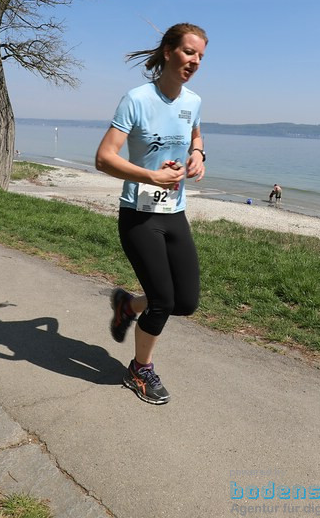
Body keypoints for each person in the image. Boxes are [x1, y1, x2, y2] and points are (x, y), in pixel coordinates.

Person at [94, 22, 208, 405]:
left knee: (186, 302)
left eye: (200, 56)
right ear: (168, 51)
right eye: (189, 52)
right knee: (163, 301)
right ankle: (140, 370)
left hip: (174, 213)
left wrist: (198, 154)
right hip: (139, 215)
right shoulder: (137, 99)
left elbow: (195, 133)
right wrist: (150, 175)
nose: (194, 61)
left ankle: (128, 305)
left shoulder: (192, 101)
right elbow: (103, 158)